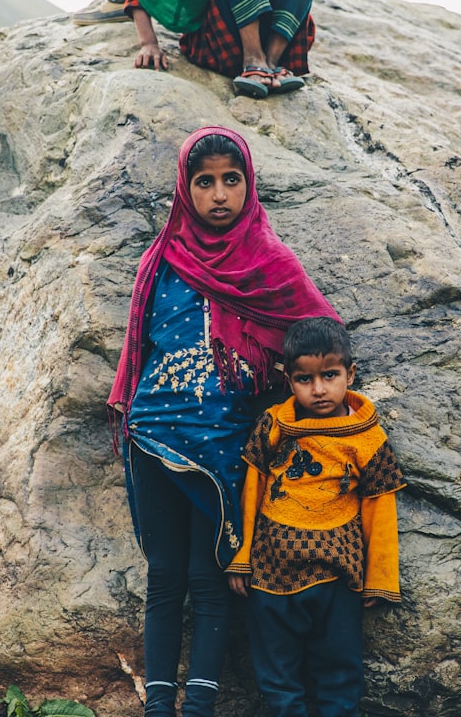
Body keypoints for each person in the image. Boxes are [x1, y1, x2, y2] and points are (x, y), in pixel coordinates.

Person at [107, 126, 339, 717]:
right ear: (185, 188)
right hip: (153, 433)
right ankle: (159, 706)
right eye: (203, 181)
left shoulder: (268, 261)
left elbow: (318, 333)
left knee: (210, 579)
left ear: (248, 185)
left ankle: (200, 707)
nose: (217, 194)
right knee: (164, 577)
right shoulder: (163, 259)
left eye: (230, 180)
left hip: (223, 447)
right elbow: (142, 345)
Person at [226, 317, 406, 717]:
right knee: (277, 680)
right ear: (289, 380)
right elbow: (251, 491)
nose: (319, 389)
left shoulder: (366, 437)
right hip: (271, 575)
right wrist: (241, 557)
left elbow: (380, 505)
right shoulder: (274, 425)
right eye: (305, 379)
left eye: (330, 375)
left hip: (337, 580)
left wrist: (379, 578)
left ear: (350, 374)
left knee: (340, 676)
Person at [121, 0, 314, 99]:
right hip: (218, 43)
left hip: (276, 45)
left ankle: (271, 64)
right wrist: (149, 43)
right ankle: (253, 61)